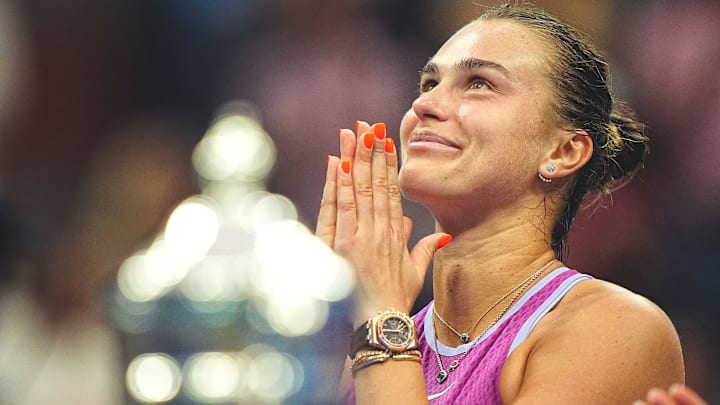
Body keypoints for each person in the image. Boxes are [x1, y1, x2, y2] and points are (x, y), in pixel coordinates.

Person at [315, 3, 694, 404]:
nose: (423, 106)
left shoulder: (617, 327)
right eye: (428, 84)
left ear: (563, 150)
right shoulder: (377, 334)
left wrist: (380, 315)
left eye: (479, 82)